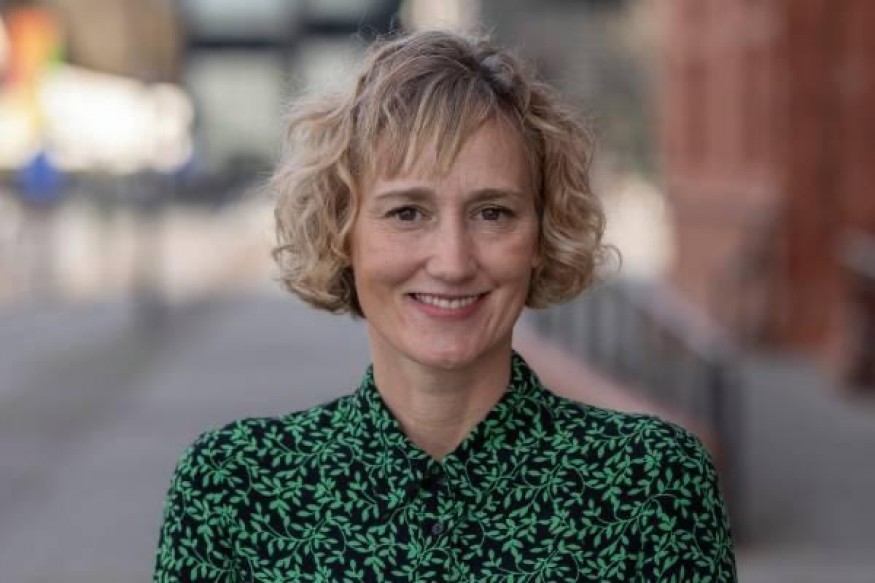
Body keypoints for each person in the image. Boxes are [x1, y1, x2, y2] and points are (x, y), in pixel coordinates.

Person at [153, 30, 736, 582]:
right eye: (407, 213)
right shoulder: (232, 490)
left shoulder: (653, 484)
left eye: (493, 213)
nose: (453, 262)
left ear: (541, 236)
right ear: (341, 233)